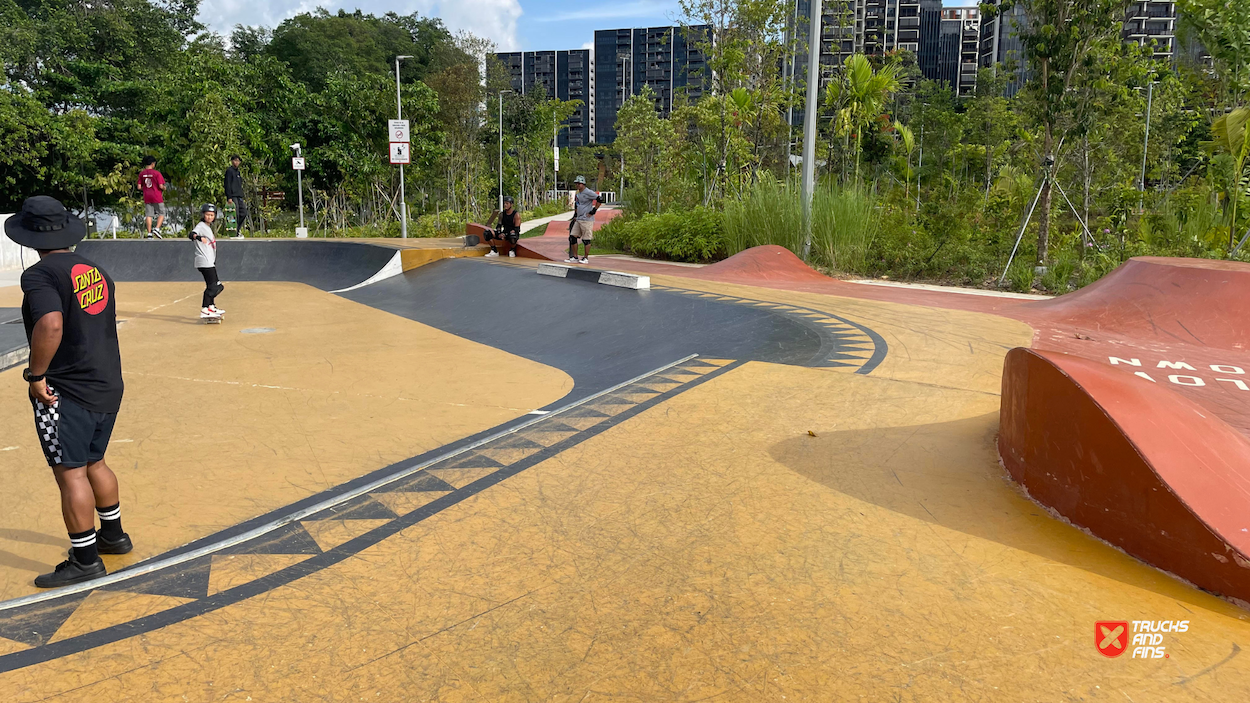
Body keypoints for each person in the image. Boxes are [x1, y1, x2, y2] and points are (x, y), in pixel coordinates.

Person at [6, 196, 131, 588]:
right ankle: (113, 536)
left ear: (29, 236)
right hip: (107, 382)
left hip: (66, 390)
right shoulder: (95, 270)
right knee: (96, 461)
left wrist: (35, 375)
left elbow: (51, 325)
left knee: (70, 472)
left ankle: (85, 559)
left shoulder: (41, 275)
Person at [190, 204, 225, 319]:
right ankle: (205, 308)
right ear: (203, 215)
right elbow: (191, 234)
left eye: (212, 215)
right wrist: (199, 238)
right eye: (207, 215)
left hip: (209, 261)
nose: (209, 217)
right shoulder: (200, 226)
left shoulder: (207, 227)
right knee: (216, 286)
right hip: (204, 261)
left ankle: (211, 306)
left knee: (212, 285)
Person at [567, 176, 603, 264]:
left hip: (587, 219)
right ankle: (575, 257)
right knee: (572, 237)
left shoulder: (588, 192)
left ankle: (585, 258)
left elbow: (600, 199)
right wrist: (575, 215)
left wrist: (594, 210)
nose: (577, 185)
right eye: (576, 184)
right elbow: (577, 204)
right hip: (579, 219)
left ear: (583, 184)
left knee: (586, 239)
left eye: (579, 184)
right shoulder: (578, 193)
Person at [137, 156, 166, 239]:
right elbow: (160, 185)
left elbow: (139, 187)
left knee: (149, 215)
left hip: (147, 196)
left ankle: (149, 233)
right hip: (156, 195)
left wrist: (146, 189)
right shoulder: (156, 173)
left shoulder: (142, 173)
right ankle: (157, 229)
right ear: (153, 164)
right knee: (162, 212)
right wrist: (164, 188)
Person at [223, 155, 247, 240]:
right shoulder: (229, 171)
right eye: (235, 160)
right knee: (234, 214)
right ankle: (233, 233)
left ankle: (237, 230)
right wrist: (229, 197)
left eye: (238, 161)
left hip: (239, 195)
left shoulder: (238, 172)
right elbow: (227, 184)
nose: (236, 162)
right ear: (232, 161)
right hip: (232, 196)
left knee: (243, 212)